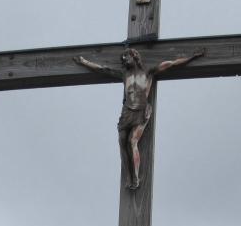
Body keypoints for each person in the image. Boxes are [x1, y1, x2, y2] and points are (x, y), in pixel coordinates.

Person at [74, 48, 204, 189]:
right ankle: (128, 176)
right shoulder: (124, 74)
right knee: (122, 141)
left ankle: (135, 178)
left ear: (134, 56)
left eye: (126, 56)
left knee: (132, 141)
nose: (124, 60)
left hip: (141, 111)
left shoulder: (148, 72)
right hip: (127, 112)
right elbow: (102, 69)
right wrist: (84, 62)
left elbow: (171, 64)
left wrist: (192, 57)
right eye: (123, 58)